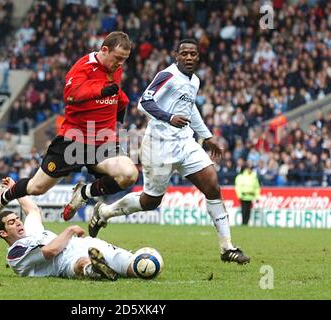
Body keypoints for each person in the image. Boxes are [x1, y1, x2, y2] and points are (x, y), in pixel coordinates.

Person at [88, 39, 250, 264]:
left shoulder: (194, 81)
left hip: (185, 143)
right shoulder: (168, 75)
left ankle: (227, 248)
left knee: (212, 185)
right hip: (159, 145)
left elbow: (190, 109)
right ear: (177, 56)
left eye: (193, 54)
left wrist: (207, 137)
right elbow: (144, 103)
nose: (189, 58)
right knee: (151, 201)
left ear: (198, 57)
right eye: (185, 54)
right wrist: (169, 117)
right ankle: (105, 212)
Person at [0, 31, 138, 223]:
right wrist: (99, 90)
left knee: (128, 174)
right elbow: (71, 95)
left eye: (124, 60)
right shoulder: (82, 67)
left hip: (102, 142)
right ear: (104, 50)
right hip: (73, 140)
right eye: (117, 58)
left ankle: (83, 193)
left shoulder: (115, 67)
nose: (120, 64)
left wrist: (121, 106)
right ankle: (3, 198)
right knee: (36, 188)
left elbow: (115, 94)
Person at [0, 177, 149, 281]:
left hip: (83, 244)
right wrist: (70, 230)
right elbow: (50, 251)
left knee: (134, 265)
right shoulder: (15, 254)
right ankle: (93, 269)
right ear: (3, 233)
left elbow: (32, 210)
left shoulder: (30, 231)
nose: (19, 223)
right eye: (12, 223)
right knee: (81, 263)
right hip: (63, 262)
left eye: (17, 219)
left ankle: (138, 267)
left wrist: (14, 189)